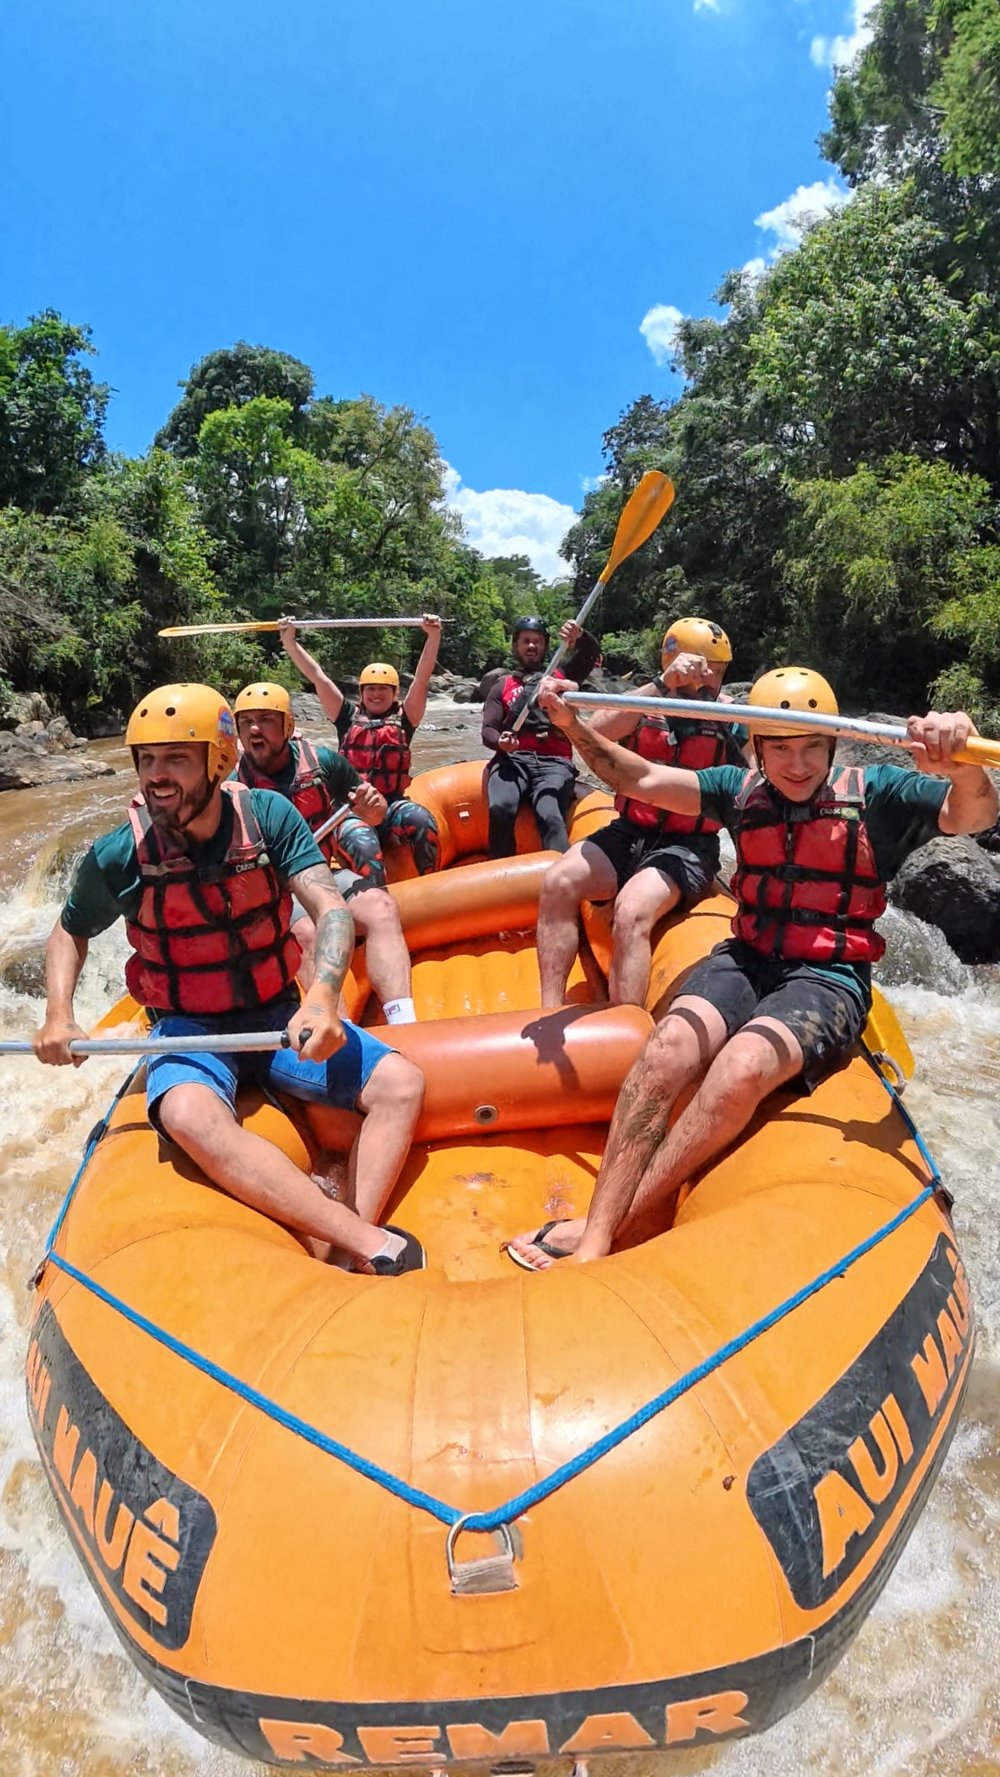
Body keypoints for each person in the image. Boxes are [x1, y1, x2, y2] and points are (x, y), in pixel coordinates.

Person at [507, 665, 998, 1269]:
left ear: (832, 743)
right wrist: (572, 726)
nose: (798, 765)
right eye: (782, 748)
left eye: (812, 746)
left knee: (740, 1066)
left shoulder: (880, 795)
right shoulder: (736, 789)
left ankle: (610, 1226)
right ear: (758, 749)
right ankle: (599, 1231)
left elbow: (972, 815)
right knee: (664, 1053)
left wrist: (963, 762)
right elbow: (635, 775)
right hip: (746, 956)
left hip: (828, 977)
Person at [33, 683, 425, 1275]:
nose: (156, 776)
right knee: (189, 1116)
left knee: (402, 1084)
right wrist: (58, 1012)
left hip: (272, 1012)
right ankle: (365, 1241)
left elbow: (331, 908)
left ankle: (349, 1245)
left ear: (217, 761)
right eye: (146, 760)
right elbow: (69, 931)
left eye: (175, 759)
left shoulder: (268, 817)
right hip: (188, 1027)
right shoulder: (119, 854)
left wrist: (321, 995)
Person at [535, 618, 748, 1009]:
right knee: (558, 881)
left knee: (632, 910)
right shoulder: (646, 700)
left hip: (689, 846)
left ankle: (623, 1027)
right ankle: (549, 1007)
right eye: (701, 669)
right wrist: (663, 684)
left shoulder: (734, 718)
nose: (708, 681)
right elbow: (596, 730)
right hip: (630, 830)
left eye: (717, 672)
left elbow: (757, 776)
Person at [232, 681, 417, 1023]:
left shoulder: (324, 763)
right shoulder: (233, 788)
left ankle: (403, 1020)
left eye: (265, 720)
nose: (254, 729)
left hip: (321, 874)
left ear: (287, 725)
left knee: (381, 906)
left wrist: (373, 806)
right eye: (246, 723)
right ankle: (341, 1033)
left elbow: (373, 815)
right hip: (272, 892)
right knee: (305, 932)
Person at [280, 615, 442, 875]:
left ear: (395, 694)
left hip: (390, 806)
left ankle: (429, 883)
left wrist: (433, 637)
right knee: (363, 844)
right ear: (362, 692)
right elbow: (318, 677)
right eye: (370, 689)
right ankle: (374, 898)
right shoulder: (345, 716)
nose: (376, 694)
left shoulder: (406, 718)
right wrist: (290, 642)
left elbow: (422, 678)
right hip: (351, 808)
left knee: (422, 820)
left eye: (383, 689)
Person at [481, 615, 600, 858]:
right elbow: (487, 730)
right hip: (513, 761)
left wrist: (580, 636)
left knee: (550, 813)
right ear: (516, 646)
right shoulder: (501, 686)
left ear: (545, 646)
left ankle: (562, 878)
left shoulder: (563, 675)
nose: (531, 646)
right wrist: (500, 743)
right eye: (525, 641)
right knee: (500, 808)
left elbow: (591, 653)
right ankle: (501, 874)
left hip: (554, 763)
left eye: (537, 641)